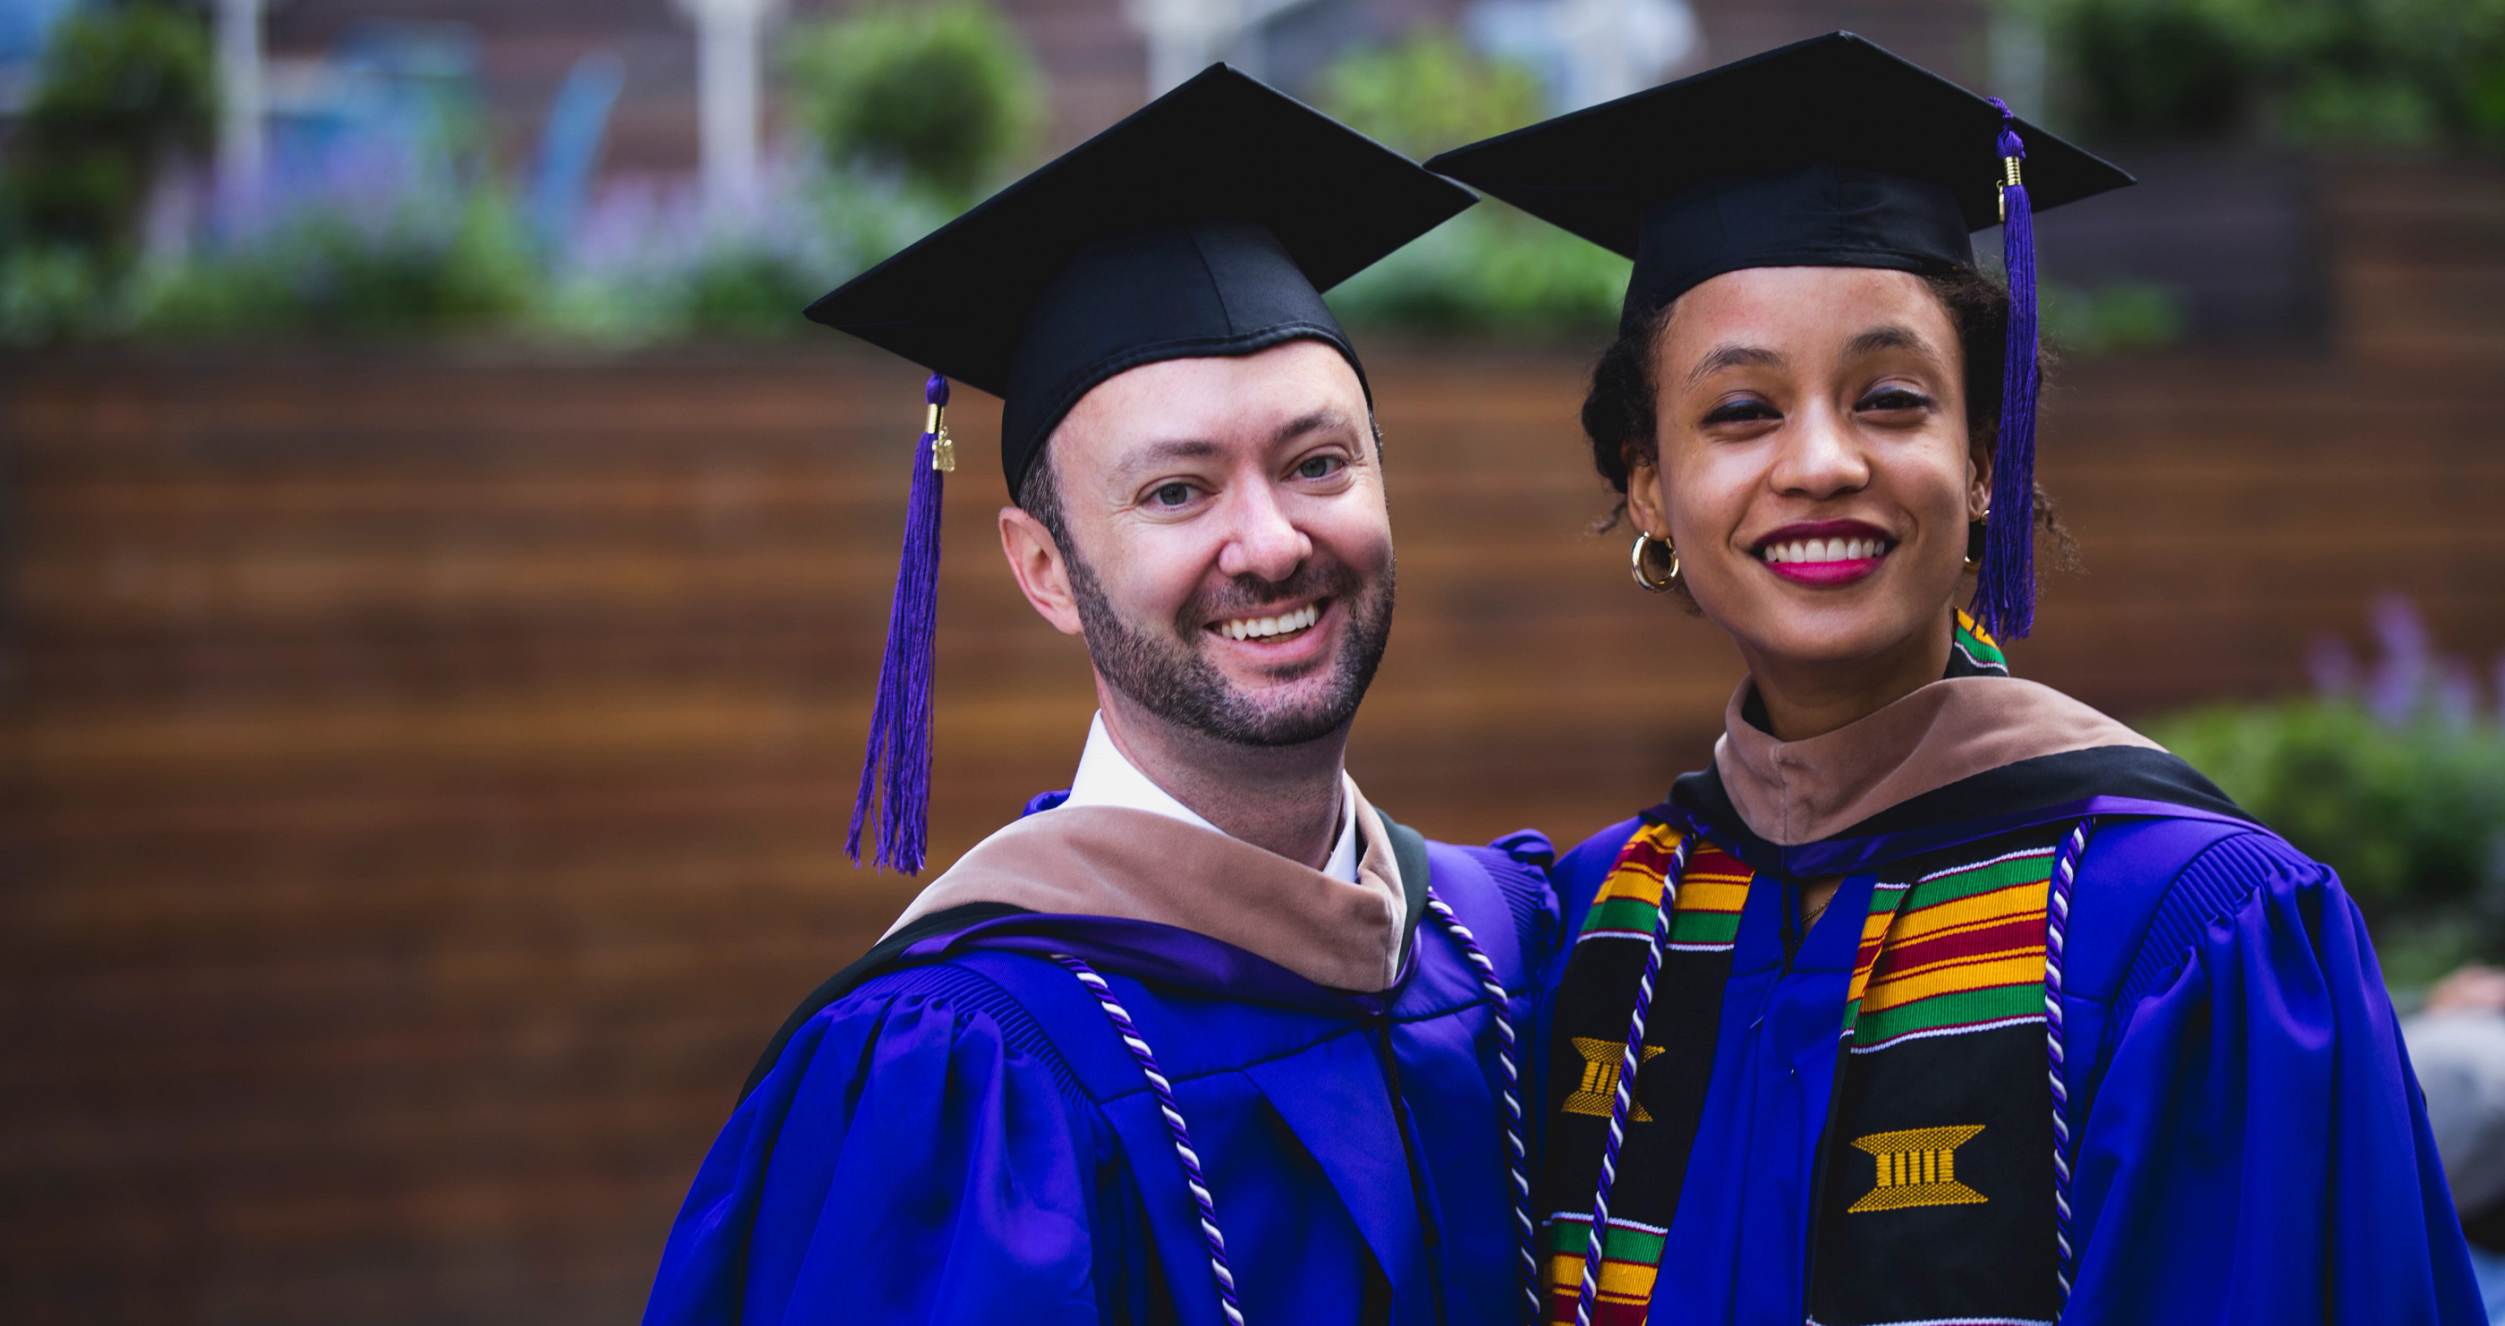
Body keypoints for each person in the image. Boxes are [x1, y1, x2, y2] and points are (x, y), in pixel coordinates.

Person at [1429, 32, 2483, 1326]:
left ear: (1982, 461)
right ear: (1648, 484)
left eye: (1887, 399)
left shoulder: (2190, 928)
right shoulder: (1594, 929)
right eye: (1740, 411)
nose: (1819, 461)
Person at [642, 67, 1561, 1326]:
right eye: (1177, 491)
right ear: (1044, 570)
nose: (1272, 541)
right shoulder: (967, 1065)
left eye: (1317, 464)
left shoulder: (1503, 943)